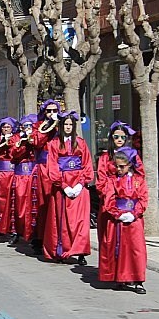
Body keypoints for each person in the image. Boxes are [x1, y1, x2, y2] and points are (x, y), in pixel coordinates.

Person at [44, 111, 94, 264]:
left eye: (70, 124)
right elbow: (52, 166)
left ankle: (80, 252)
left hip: (79, 184)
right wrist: (63, 185)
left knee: (80, 220)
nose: (68, 127)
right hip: (62, 186)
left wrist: (81, 184)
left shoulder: (80, 143)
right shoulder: (53, 144)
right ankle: (62, 250)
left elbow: (87, 164)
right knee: (62, 220)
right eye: (65, 124)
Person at [99, 148, 148, 294]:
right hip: (118, 220)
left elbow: (143, 199)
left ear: (130, 165)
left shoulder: (139, 180)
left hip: (135, 220)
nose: (118, 169)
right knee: (118, 249)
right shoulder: (112, 180)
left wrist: (135, 213)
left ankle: (138, 279)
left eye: (122, 166)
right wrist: (117, 213)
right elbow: (109, 199)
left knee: (136, 249)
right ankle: (120, 278)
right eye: (117, 166)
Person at [29, 100, 61, 254]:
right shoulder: (38, 126)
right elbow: (35, 141)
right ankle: (40, 238)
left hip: (58, 168)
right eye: (48, 111)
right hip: (43, 168)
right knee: (42, 204)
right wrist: (48, 127)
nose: (51, 113)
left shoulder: (62, 124)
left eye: (54, 110)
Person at [9, 114, 38, 245]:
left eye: (29, 126)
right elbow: (13, 154)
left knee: (34, 205)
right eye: (24, 126)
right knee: (20, 205)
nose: (27, 128)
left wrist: (32, 140)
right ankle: (17, 231)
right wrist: (23, 143)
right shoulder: (16, 138)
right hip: (21, 174)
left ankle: (34, 234)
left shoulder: (36, 136)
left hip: (33, 173)